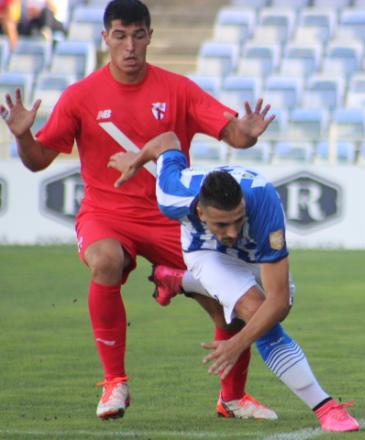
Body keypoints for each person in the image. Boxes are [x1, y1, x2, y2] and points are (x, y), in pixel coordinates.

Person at [0, 0, 277, 421]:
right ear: (105, 38)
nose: (130, 45)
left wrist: (248, 133)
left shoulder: (178, 90)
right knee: (106, 262)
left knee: (232, 305)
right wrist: (23, 137)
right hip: (106, 214)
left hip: (172, 217)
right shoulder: (80, 96)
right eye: (120, 35)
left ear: (150, 36)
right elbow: (38, 160)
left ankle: (232, 397)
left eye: (138, 35)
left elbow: (232, 133)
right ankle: (115, 384)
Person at [108, 131, 361, 432]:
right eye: (221, 223)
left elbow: (279, 300)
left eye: (238, 220)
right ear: (200, 211)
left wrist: (237, 344)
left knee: (274, 312)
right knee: (257, 313)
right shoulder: (172, 194)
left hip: (254, 255)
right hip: (207, 254)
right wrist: (137, 161)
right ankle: (327, 408)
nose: (231, 231)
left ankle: (179, 280)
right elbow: (168, 141)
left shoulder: (264, 204)